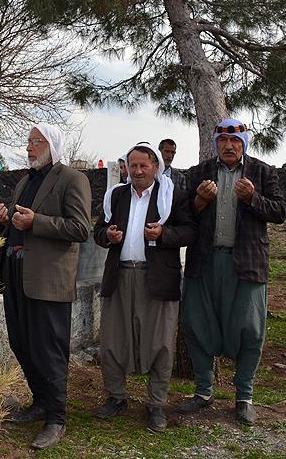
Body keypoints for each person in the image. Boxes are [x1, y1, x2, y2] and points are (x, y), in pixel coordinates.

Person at [177, 118, 286, 425]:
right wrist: (200, 201)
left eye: (235, 141)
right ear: (216, 145)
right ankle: (203, 391)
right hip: (204, 262)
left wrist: (252, 198)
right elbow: (181, 214)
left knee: (251, 329)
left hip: (248, 264)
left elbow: (280, 212)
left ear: (244, 144)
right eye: (223, 141)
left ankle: (244, 396)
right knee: (195, 324)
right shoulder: (198, 173)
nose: (229, 146)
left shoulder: (263, 172)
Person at [0, 123, 92, 449]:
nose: (29, 147)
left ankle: (56, 418)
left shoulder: (73, 179)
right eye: (29, 141)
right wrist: (3, 219)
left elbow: (80, 228)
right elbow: (15, 227)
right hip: (16, 273)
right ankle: (40, 402)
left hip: (48, 278)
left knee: (49, 350)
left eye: (36, 142)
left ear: (52, 146)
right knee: (22, 343)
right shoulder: (23, 181)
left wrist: (37, 222)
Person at [92, 141, 196, 432]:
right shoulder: (116, 195)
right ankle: (116, 397)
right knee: (112, 340)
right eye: (133, 165)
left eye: (143, 165)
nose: (137, 171)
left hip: (158, 278)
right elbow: (98, 231)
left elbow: (190, 231)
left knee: (161, 343)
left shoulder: (171, 196)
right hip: (119, 276)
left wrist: (164, 233)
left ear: (155, 167)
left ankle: (156, 404)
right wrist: (108, 235)